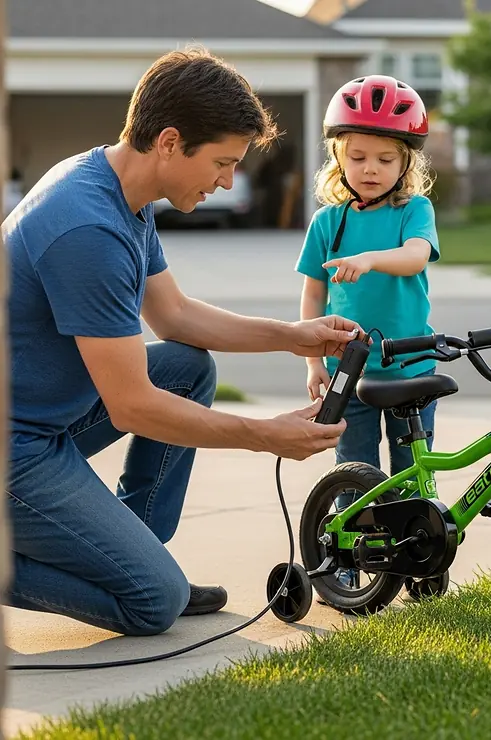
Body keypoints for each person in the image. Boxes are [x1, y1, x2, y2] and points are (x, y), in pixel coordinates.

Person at [2, 46, 363, 637]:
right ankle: (138, 574)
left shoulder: (121, 192)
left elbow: (174, 317)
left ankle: (129, 553)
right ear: (169, 142)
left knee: (185, 368)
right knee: (154, 602)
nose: (227, 181)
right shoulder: (89, 227)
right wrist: (263, 435)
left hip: (41, 419)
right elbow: (133, 406)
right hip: (15, 447)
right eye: (223, 163)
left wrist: (295, 338)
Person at [295, 75, 440, 588]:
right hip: (346, 374)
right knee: (352, 473)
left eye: (384, 158)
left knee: (411, 473)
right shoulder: (327, 223)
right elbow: (314, 296)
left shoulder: (413, 212)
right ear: (338, 157)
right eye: (357, 157)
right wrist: (313, 361)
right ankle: (352, 566)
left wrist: (371, 259)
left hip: (410, 370)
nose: (370, 169)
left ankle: (421, 564)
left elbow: (415, 257)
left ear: (406, 163)